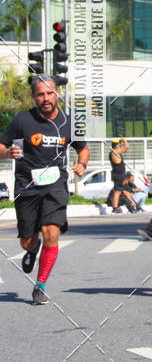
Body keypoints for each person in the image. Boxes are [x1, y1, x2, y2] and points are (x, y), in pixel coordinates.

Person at [0, 75, 89, 305]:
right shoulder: (22, 121)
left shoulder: (68, 122)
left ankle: (40, 285)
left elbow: (83, 148)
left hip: (55, 186)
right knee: (27, 241)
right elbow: (2, 145)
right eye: (40, 94)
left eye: (50, 93)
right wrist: (7, 153)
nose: (46, 98)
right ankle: (32, 248)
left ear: (56, 94)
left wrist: (82, 163)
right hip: (27, 187)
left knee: (51, 232)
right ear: (34, 97)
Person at [109, 137, 130, 214]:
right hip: (118, 174)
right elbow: (127, 147)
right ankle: (115, 208)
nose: (121, 146)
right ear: (117, 145)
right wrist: (124, 140)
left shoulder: (114, 152)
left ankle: (115, 206)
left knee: (118, 191)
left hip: (118, 174)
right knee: (117, 191)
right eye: (120, 144)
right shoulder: (115, 151)